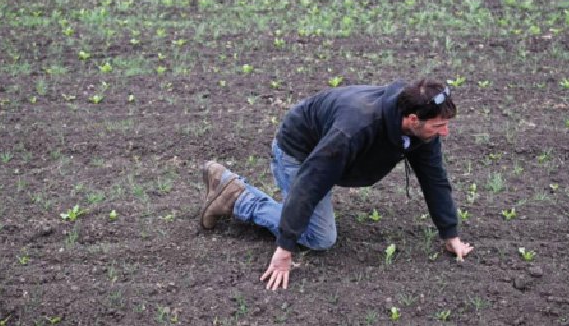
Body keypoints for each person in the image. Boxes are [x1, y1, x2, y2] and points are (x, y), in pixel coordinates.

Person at [198, 78, 474, 290]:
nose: (445, 132)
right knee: (320, 237)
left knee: (320, 193)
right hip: (299, 154)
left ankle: (257, 200)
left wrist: (450, 235)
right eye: (439, 126)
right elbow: (311, 182)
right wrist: (284, 250)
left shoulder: (420, 126)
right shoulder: (355, 129)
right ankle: (235, 195)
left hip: (328, 153)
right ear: (412, 120)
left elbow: (434, 178)